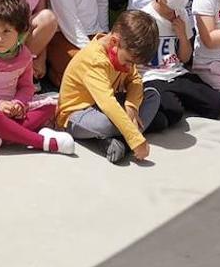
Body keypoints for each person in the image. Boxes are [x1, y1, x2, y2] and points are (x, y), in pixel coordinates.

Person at [0, 0, 74, 158]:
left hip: (12, 106)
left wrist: (18, 103)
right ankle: (44, 142)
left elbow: (26, 87)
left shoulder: (25, 55)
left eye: (6, 32)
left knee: (52, 106)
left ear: (20, 32)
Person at [54, 11, 162, 164]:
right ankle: (125, 137)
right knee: (105, 123)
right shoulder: (94, 60)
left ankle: (117, 141)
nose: (129, 67)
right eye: (128, 61)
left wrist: (132, 105)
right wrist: (136, 140)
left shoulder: (122, 52)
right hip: (76, 115)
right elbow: (108, 104)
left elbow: (135, 80)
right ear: (114, 42)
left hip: (105, 106)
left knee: (152, 95)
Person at [137, 0, 220, 131]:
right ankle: (158, 104)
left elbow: (185, 58)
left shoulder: (182, 15)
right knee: (173, 112)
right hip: (151, 77)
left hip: (177, 73)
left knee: (218, 105)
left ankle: (173, 100)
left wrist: (182, 36)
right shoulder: (145, 18)